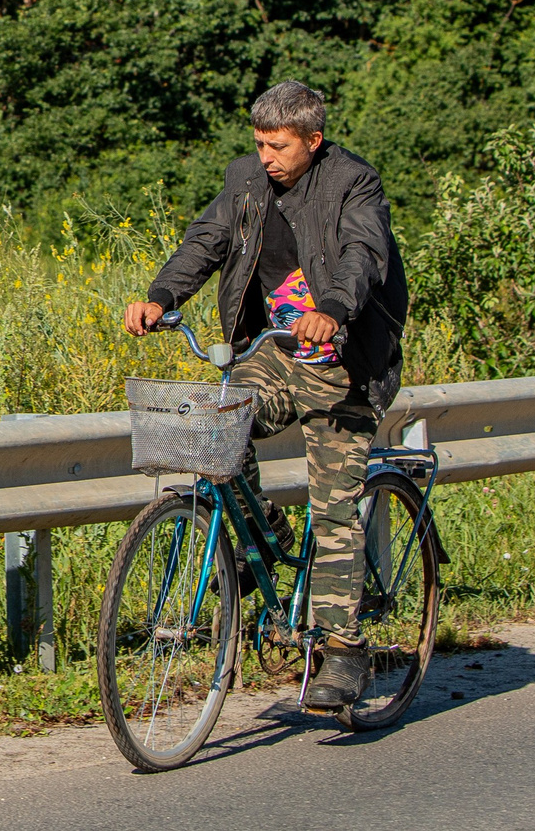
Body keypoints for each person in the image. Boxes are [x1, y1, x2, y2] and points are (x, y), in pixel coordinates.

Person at [122, 80, 408, 712]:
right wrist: (161, 296)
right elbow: (207, 241)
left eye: (279, 146)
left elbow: (363, 255)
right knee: (217, 430)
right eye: (258, 143)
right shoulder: (246, 179)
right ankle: (264, 541)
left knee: (334, 508)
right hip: (274, 353)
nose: (267, 157)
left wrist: (332, 309)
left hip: (344, 361)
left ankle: (344, 653)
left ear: (313, 139)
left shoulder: (353, 184)